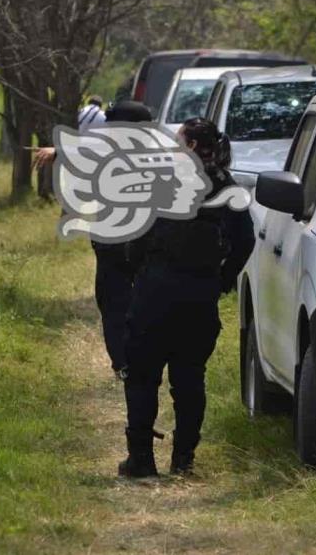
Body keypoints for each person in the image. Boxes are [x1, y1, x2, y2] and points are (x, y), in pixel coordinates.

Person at [119, 117, 255, 478]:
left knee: (142, 376)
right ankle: (183, 460)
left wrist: (140, 273)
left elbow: (135, 235)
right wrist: (222, 280)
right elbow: (246, 242)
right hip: (199, 296)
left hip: (155, 293)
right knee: (191, 380)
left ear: (192, 146)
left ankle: (141, 460)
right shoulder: (228, 186)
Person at [31, 100, 154, 376]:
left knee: (114, 304)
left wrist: (58, 152)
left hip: (117, 245)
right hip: (146, 246)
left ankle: (125, 364)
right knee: (137, 303)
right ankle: (137, 361)